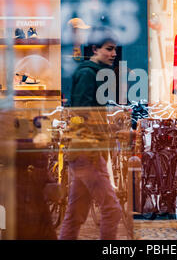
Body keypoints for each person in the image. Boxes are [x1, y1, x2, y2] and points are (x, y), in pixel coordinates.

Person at [59, 31, 122, 240]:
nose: (113, 53)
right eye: (108, 48)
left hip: (84, 151)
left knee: (75, 214)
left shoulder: (95, 73)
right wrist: (92, 145)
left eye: (115, 49)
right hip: (88, 152)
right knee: (112, 210)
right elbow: (81, 114)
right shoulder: (89, 74)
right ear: (95, 50)